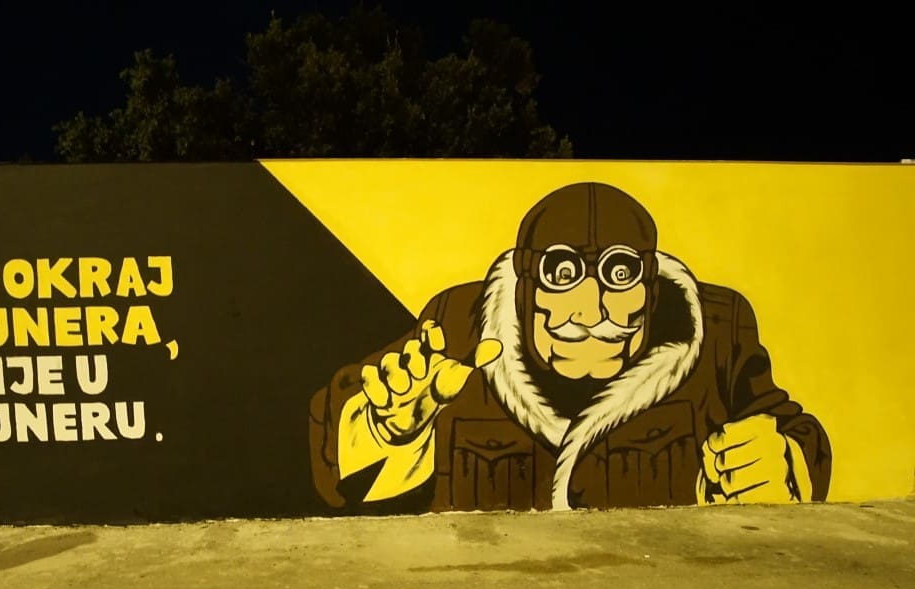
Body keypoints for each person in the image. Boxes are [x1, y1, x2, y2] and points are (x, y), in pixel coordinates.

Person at [308, 181, 831, 513]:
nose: (590, 310)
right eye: (562, 274)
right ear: (523, 282)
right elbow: (333, 432)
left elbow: (795, 429)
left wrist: (780, 464)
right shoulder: (460, 327)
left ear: (652, 288)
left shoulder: (717, 330)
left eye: (620, 274)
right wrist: (386, 429)